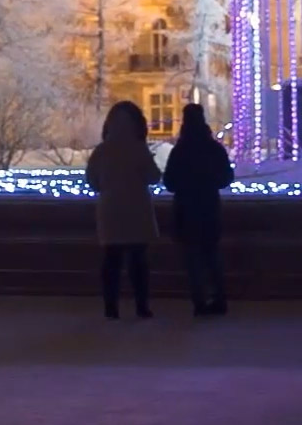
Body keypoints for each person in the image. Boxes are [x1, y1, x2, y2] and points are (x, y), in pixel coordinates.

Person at [84, 101, 161, 320]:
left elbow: (92, 180)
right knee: (138, 261)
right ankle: (141, 306)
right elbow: (154, 177)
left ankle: (111, 307)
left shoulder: (102, 151)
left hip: (110, 211)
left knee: (112, 261)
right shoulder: (138, 148)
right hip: (137, 209)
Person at [161, 103, 235, 316]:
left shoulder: (180, 151)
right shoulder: (214, 148)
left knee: (192, 258)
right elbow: (226, 178)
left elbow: (170, 182)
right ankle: (219, 298)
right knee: (212, 255)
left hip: (186, 209)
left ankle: (199, 301)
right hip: (209, 207)